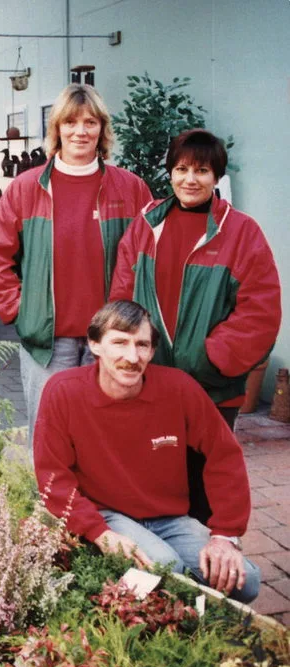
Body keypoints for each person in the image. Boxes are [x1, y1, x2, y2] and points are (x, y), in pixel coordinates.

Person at [34, 301, 260, 603]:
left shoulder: (178, 388)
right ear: (95, 345)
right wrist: (97, 532)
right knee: (168, 569)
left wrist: (224, 535)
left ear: (152, 351)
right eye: (119, 342)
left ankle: (188, 605)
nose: (132, 357)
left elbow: (224, 455)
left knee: (246, 583)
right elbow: (53, 476)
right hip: (106, 514)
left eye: (142, 345)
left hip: (169, 518)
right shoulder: (63, 391)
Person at [109, 129, 281, 521]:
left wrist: (210, 358)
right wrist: (131, 356)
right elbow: (122, 293)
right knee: (152, 479)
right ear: (169, 172)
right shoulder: (146, 225)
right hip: (149, 380)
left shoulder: (241, 232)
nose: (190, 179)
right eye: (182, 168)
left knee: (207, 483)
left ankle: (205, 565)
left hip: (211, 386)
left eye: (202, 170)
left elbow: (261, 309)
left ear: (216, 177)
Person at [0, 84, 152, 451]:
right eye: (70, 122)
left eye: (90, 122)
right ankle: (48, 508)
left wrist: (137, 323)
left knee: (108, 432)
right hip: (47, 339)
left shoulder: (131, 188)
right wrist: (20, 311)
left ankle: (101, 507)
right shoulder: (27, 188)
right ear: (56, 129)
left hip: (111, 338)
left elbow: (151, 259)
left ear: (102, 130)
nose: (80, 131)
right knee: (51, 433)